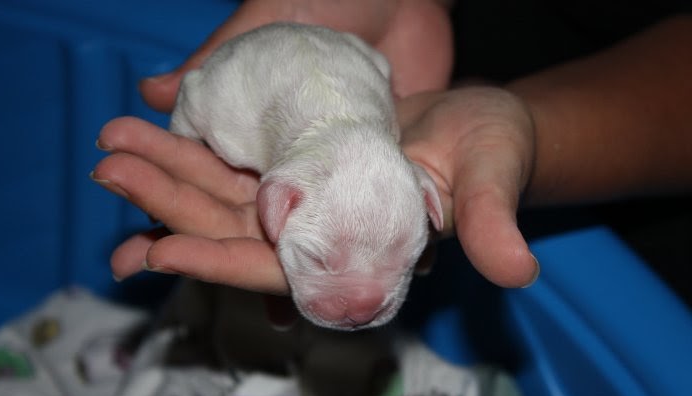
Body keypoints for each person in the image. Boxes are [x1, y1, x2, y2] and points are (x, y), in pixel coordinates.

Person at [91, 0, 692, 301]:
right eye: (324, 260)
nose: (367, 301)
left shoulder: (388, 161)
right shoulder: (232, 117)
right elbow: (196, 94)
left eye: (406, 260)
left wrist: (534, 127)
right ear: (277, 204)